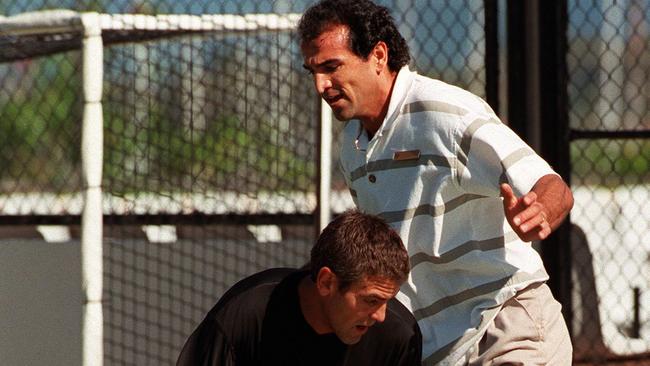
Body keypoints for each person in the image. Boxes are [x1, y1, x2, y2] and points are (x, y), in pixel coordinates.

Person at [298, 1, 575, 365]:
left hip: (505, 325)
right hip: (436, 348)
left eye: (332, 67)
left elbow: (552, 184)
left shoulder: (446, 114)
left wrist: (539, 207)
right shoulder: (352, 146)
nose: (321, 85)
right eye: (313, 71)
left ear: (378, 56)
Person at [176, 210, 422, 366]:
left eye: (387, 300)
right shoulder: (246, 315)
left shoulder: (398, 337)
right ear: (326, 283)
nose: (380, 316)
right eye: (371, 300)